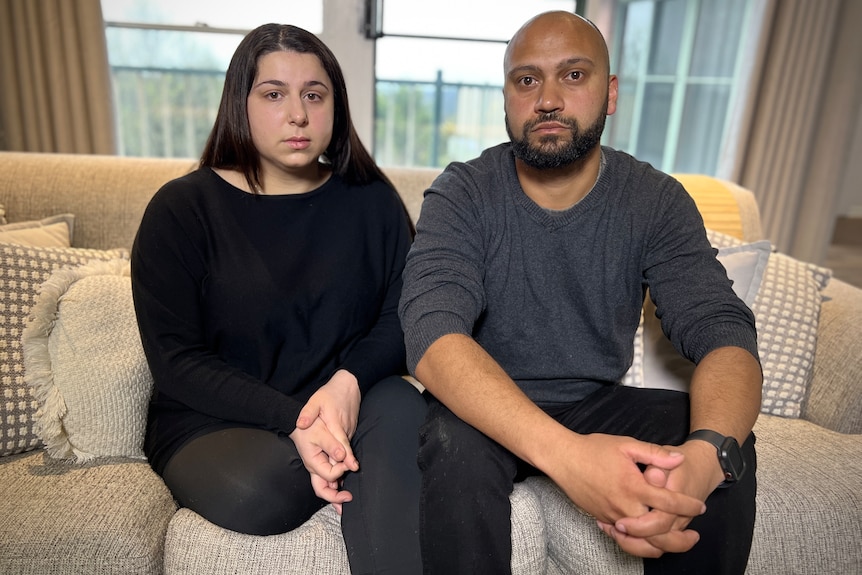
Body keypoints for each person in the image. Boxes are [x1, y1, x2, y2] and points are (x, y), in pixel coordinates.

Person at [398, 11, 760, 575]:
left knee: (724, 436)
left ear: (609, 93)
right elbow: (431, 333)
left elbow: (724, 332)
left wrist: (705, 457)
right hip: (485, 410)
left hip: (597, 402)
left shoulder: (656, 200)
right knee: (452, 446)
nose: (547, 99)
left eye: (572, 75)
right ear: (506, 98)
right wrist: (567, 456)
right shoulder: (462, 191)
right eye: (526, 80)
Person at [131, 23, 426, 575]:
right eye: (274, 94)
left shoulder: (372, 203)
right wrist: (295, 419)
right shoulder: (181, 210)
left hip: (347, 403)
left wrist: (346, 385)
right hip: (217, 420)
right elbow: (176, 363)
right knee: (260, 491)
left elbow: (401, 317)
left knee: (405, 409)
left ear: (335, 106)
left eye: (314, 95)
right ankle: (337, 458)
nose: (298, 114)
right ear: (239, 103)